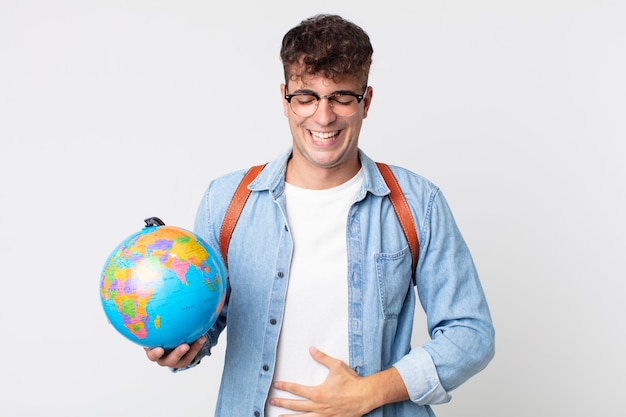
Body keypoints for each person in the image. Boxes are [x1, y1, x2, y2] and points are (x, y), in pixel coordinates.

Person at [146, 14, 495, 417]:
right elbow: (207, 320)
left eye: (341, 97)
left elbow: (471, 334)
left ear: (366, 102)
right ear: (284, 99)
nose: (324, 117)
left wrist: (373, 391)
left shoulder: (417, 204)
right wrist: (181, 348)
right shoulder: (226, 201)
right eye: (307, 97)